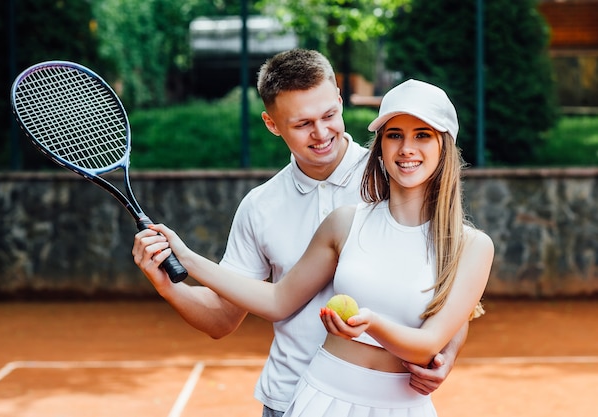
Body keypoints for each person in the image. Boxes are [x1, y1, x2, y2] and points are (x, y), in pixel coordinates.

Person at [132, 50, 469, 417]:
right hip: (290, 400)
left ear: (340, 99)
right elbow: (222, 319)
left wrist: (446, 353)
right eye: (302, 123)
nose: (321, 133)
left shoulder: (401, 173)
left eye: (329, 115)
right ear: (272, 123)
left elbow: (454, 288)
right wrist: (170, 286)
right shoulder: (260, 207)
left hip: (383, 400)